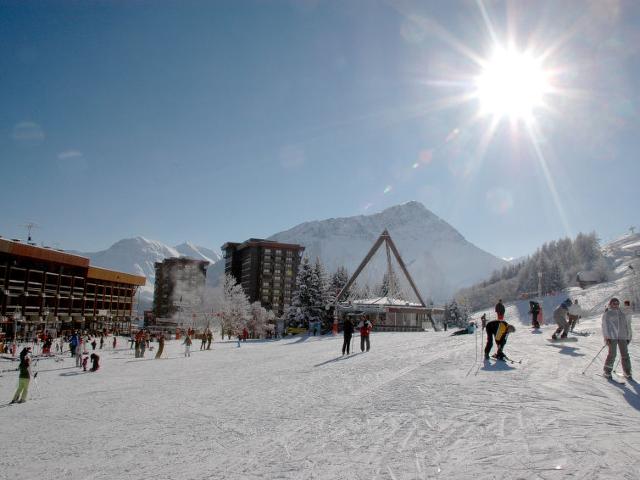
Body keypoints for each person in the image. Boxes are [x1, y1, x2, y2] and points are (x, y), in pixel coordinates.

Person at [602, 297, 632, 380]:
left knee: (625, 355)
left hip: (623, 336)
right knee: (612, 354)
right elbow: (604, 326)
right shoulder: (608, 313)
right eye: (614, 303)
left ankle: (627, 372)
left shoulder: (622, 313)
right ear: (610, 304)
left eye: (617, 303)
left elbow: (628, 324)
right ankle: (607, 371)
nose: (616, 305)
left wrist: (628, 336)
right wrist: (606, 337)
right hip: (612, 336)